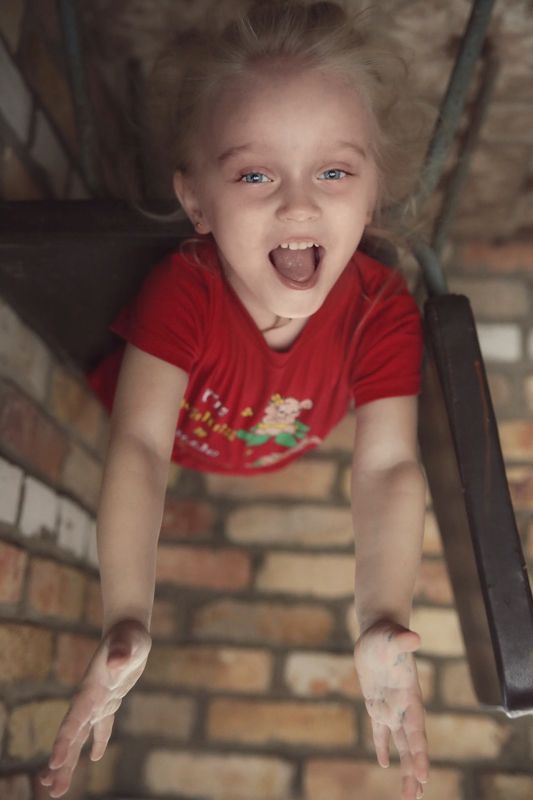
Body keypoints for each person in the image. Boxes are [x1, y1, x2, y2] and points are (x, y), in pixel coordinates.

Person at [40, 2, 430, 798]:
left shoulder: (383, 310)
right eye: (255, 175)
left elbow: (388, 466)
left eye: (333, 172)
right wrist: (126, 611)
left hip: (265, 443)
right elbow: (141, 446)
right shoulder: (185, 288)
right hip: (167, 426)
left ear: (371, 196)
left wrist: (380, 613)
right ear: (196, 204)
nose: (297, 205)